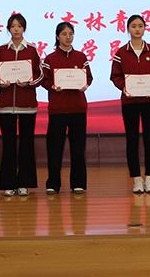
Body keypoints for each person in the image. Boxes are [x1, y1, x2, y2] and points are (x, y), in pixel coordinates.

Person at [110, 14, 150, 194]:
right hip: (130, 102)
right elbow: (115, 76)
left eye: (140, 26)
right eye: (133, 26)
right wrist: (125, 87)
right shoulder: (121, 53)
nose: (137, 29)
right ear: (128, 29)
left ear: (145, 28)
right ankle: (136, 179)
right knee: (132, 139)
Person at [0, 13, 43, 197]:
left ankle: (25, 183)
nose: (16, 29)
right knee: (8, 144)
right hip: (6, 105)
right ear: (8, 29)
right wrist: (2, 83)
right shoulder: (2, 50)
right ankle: (8, 183)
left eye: (19, 26)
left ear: (24, 29)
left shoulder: (32, 50)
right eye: (13, 26)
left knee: (26, 144)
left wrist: (28, 82)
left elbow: (40, 75)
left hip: (27, 105)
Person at [41, 21, 93, 194]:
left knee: (78, 148)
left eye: (70, 34)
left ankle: (78, 183)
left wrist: (85, 84)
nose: (67, 37)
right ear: (57, 37)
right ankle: (53, 183)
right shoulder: (50, 58)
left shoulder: (81, 57)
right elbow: (45, 80)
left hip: (78, 107)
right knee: (55, 148)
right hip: (58, 108)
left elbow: (88, 77)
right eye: (64, 34)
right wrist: (53, 86)